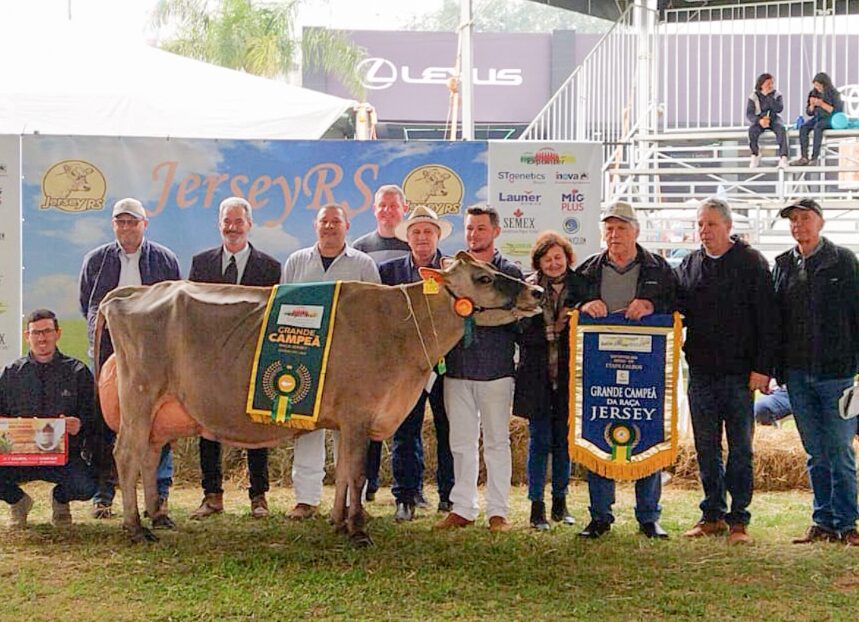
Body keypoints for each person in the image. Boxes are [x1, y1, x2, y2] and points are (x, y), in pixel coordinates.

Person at [675, 198, 779, 545]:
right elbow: (673, 306)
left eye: (711, 225)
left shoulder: (751, 263)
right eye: (700, 225)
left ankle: (739, 521)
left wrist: (762, 368)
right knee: (706, 447)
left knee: (740, 449)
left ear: (728, 227)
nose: (704, 231)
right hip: (701, 373)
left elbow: (768, 320)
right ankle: (712, 514)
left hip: (739, 375)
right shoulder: (690, 264)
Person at [574, 201, 676, 539]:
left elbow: (679, 304)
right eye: (609, 228)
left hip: (645, 371)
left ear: (636, 231)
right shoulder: (588, 270)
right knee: (597, 432)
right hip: (601, 371)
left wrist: (652, 305)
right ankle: (600, 516)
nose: (614, 235)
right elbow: (569, 303)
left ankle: (649, 517)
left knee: (647, 431)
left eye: (620, 228)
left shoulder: (659, 268)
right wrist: (583, 306)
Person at [78, 197, 180, 522]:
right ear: (113, 225)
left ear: (144, 225)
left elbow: (174, 302)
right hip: (112, 351)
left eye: (132, 222)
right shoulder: (96, 259)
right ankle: (104, 493)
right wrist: (102, 337)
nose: (126, 228)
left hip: (155, 354)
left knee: (160, 420)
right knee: (108, 418)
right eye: (120, 222)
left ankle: (159, 496)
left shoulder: (164, 259)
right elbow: (89, 304)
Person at [282, 204, 380, 520]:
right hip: (305, 358)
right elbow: (282, 309)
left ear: (346, 226)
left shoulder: (364, 265)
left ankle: (354, 499)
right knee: (307, 428)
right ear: (315, 226)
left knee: (350, 432)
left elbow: (377, 313)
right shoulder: (296, 262)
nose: (329, 226)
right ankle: (306, 499)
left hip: (351, 363)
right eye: (324, 221)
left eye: (335, 221)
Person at [187, 197, 281, 520]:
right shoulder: (201, 264)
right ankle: (212, 496)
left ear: (249, 224)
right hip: (211, 363)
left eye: (238, 221)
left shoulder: (270, 267)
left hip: (253, 363)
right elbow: (192, 314)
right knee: (207, 425)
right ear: (219, 224)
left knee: (256, 425)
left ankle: (259, 497)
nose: (232, 227)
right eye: (227, 221)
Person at [773, 198, 859, 546]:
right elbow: (774, 322)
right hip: (797, 375)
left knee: (840, 449)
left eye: (805, 219)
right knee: (815, 451)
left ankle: (848, 523)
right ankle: (822, 520)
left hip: (838, 375)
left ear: (820, 222)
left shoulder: (845, 261)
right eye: (793, 220)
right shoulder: (782, 265)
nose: (799, 226)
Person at [433, 205, 521, 533]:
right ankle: (463, 507)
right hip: (457, 368)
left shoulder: (509, 272)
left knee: (498, 442)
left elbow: (519, 319)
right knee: (461, 442)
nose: (474, 234)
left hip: (496, 369)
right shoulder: (455, 272)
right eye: (470, 229)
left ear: (495, 231)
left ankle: (498, 511)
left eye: (481, 228)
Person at [378, 206, 455, 521]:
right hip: (407, 368)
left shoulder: (453, 270)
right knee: (405, 431)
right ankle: (405, 497)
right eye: (416, 232)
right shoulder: (389, 272)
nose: (422, 237)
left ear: (437, 236)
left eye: (428, 231)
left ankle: (449, 496)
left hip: (447, 365)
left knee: (448, 429)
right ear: (407, 238)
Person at [514, 231, 586, 531]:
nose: (553, 263)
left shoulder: (582, 287)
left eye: (558, 258)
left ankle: (560, 502)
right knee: (539, 442)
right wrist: (550, 328)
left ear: (567, 258)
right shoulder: (527, 289)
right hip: (537, 377)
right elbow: (519, 330)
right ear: (539, 262)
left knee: (563, 444)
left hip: (570, 376)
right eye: (547, 259)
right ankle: (536, 506)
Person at [1, 309, 97, 529]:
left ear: (57, 333)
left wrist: (79, 424)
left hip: (63, 459)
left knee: (87, 486)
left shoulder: (77, 372)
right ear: (27, 336)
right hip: (19, 459)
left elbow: (94, 417)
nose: (42, 338)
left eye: (47, 331)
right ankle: (18, 501)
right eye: (36, 333)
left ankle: (61, 499)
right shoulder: (11, 373)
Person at [353, 184, 411, 503]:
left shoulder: (413, 244)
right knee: (371, 417)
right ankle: (368, 483)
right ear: (374, 210)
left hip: (408, 348)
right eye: (382, 206)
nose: (387, 211)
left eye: (393, 205)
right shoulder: (360, 248)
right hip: (374, 349)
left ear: (403, 209)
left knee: (405, 423)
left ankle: (407, 490)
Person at [791, 72, 843, 166]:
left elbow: (837, 111)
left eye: (819, 85)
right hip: (817, 117)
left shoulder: (834, 94)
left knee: (818, 127)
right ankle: (804, 156)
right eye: (815, 86)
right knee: (804, 127)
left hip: (830, 119)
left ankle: (814, 157)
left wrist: (822, 104)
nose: (817, 88)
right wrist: (811, 105)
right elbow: (809, 112)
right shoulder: (813, 93)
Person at [746, 72, 789, 169]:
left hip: (773, 118)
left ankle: (783, 157)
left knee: (781, 129)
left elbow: (779, 108)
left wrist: (770, 98)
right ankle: (755, 153)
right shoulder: (753, 96)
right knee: (752, 131)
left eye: (772, 83)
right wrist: (759, 120)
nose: (770, 86)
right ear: (761, 84)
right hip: (760, 119)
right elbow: (749, 113)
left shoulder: (777, 94)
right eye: (768, 83)